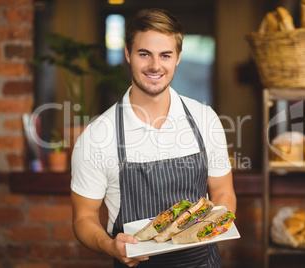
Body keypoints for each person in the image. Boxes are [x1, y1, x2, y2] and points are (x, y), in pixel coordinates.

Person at [71, 8, 236, 268]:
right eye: (144, 54)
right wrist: (109, 245)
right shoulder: (97, 135)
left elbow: (224, 192)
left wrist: (208, 225)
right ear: (128, 54)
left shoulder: (206, 119)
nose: (155, 66)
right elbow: (84, 217)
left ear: (178, 57)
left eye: (165, 55)